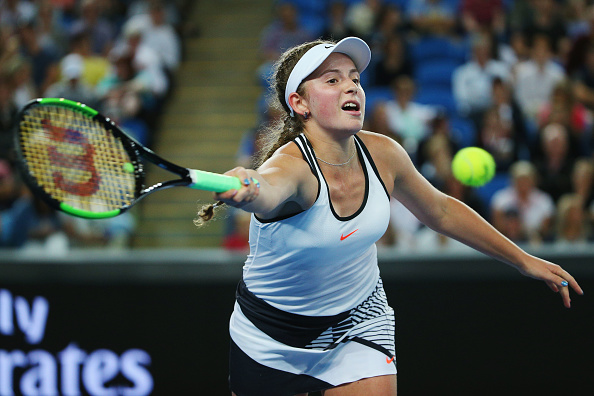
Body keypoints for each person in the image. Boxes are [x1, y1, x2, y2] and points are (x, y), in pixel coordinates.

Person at [197, 37, 583, 396]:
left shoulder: (384, 153)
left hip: (360, 320)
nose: (352, 87)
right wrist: (247, 186)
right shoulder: (291, 168)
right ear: (300, 103)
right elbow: (267, 190)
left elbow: (441, 210)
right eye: (332, 80)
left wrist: (523, 260)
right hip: (270, 337)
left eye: (355, 78)